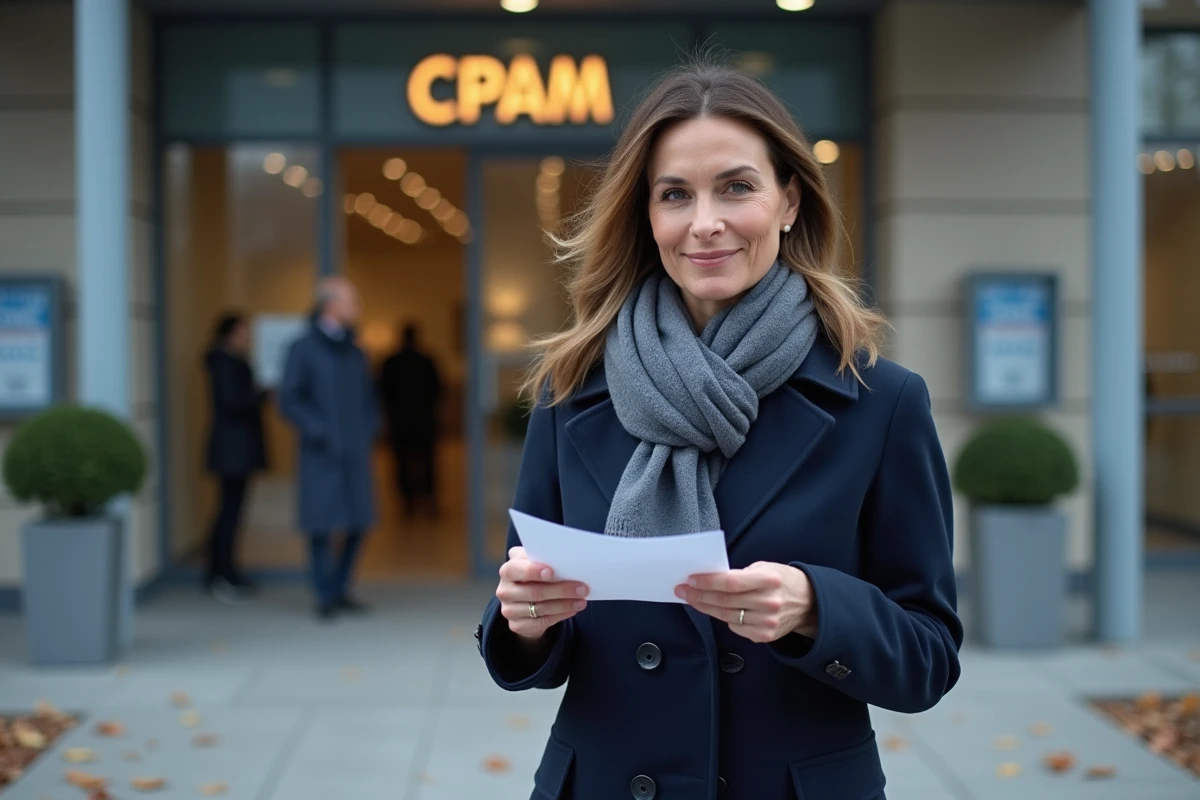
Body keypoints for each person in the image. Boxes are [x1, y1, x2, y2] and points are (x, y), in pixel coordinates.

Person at [476, 62, 963, 800]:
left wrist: (815, 609)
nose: (705, 222)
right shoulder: (571, 393)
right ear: (647, 215)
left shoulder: (879, 401)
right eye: (676, 194)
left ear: (789, 200)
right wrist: (525, 619)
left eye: (736, 187)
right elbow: (534, 619)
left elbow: (928, 657)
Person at [279, 276, 380, 621]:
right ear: (331, 304)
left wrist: (369, 428)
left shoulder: (356, 351)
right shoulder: (303, 348)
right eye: (353, 300)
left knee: (358, 522)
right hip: (320, 454)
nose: (358, 306)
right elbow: (289, 399)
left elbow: (369, 399)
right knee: (321, 527)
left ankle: (340, 589)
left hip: (355, 452)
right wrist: (318, 430)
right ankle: (324, 594)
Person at [202, 312, 268, 603]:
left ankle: (224, 570)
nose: (247, 339)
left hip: (236, 448)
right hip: (232, 449)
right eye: (242, 333)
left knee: (231, 511)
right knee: (229, 512)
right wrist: (260, 394)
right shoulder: (224, 364)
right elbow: (231, 402)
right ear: (228, 335)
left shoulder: (231, 362)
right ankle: (222, 574)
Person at [378, 323, 442, 519]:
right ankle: (429, 500)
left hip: (401, 421)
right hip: (424, 419)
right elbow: (438, 389)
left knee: (402, 462)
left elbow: (382, 392)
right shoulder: (426, 360)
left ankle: (407, 504)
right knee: (428, 461)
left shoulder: (391, 362)